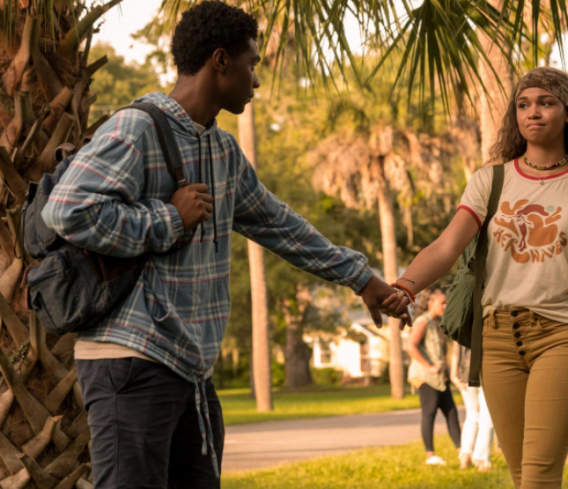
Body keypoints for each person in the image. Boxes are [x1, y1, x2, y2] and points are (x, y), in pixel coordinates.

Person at [41, 3, 408, 488]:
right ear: (220, 60)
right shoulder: (137, 129)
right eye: (251, 64)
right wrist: (169, 218)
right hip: (129, 361)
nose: (255, 80)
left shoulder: (222, 149)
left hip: (190, 368)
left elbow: (280, 226)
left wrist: (362, 278)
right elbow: (67, 210)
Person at [381, 66, 568, 489]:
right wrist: (406, 285)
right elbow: (447, 246)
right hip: (497, 340)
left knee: (541, 477)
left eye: (546, 102)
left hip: (562, 336)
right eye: (524, 104)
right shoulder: (490, 181)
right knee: (521, 474)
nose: (534, 112)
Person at [406, 288, 461, 465]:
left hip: (440, 378)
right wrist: (429, 366)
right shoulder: (423, 322)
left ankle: (462, 452)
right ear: (431, 303)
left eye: (446, 302)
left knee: (452, 413)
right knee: (429, 413)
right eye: (442, 302)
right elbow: (410, 346)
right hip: (425, 376)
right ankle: (430, 456)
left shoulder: (438, 323)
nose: (445, 305)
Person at [449, 341, 494, 470]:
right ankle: (481, 460)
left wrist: (453, 376)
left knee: (472, 416)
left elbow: (455, 349)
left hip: (465, 374)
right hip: (485, 374)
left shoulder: (464, 320)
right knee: (487, 419)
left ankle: (465, 457)